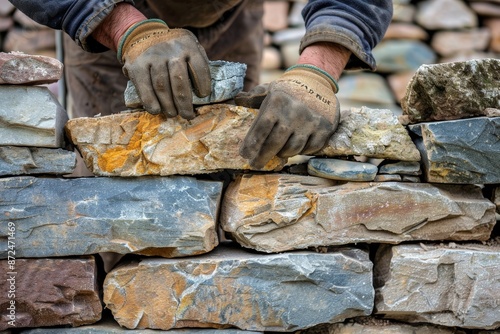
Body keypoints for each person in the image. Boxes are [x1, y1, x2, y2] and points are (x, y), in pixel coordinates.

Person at [9, 0, 393, 169]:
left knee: (234, 173)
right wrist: (126, 30)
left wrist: (317, 72)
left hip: (228, 12)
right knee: (116, 184)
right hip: (110, 11)